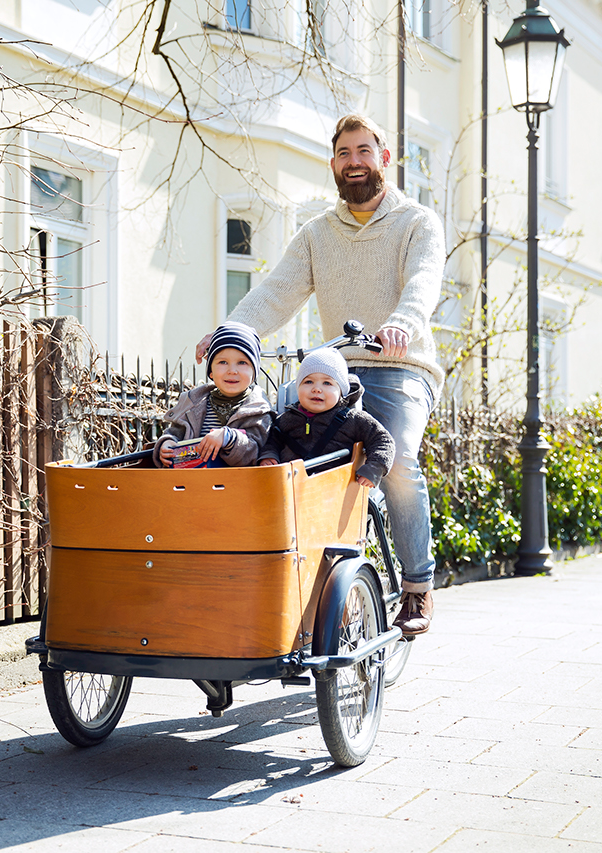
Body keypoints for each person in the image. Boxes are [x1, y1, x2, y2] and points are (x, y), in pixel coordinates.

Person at [196, 113, 444, 635]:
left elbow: (423, 281)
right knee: (273, 446)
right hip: (335, 370)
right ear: (333, 164)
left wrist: (402, 322)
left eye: (363, 151)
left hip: (402, 365)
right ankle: (286, 577)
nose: (354, 162)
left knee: (396, 457)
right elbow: (277, 290)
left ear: (384, 159)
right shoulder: (318, 234)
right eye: (344, 154)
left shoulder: (417, 222)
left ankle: (418, 588)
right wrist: (231, 330)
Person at [259, 348, 395, 489]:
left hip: (336, 489)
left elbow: (382, 440)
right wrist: (269, 456)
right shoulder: (286, 419)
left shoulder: (353, 419)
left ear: (341, 390)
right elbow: (271, 442)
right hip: (292, 489)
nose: (316, 389)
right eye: (308, 382)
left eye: (327, 383)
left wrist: (375, 467)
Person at [154, 321, 272, 468]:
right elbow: (175, 432)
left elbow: (254, 452)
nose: (232, 370)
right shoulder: (194, 404)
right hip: (190, 483)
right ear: (211, 371)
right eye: (223, 362)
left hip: (235, 485)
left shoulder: (257, 410)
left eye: (242, 363)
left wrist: (228, 437)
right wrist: (167, 443)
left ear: (254, 373)